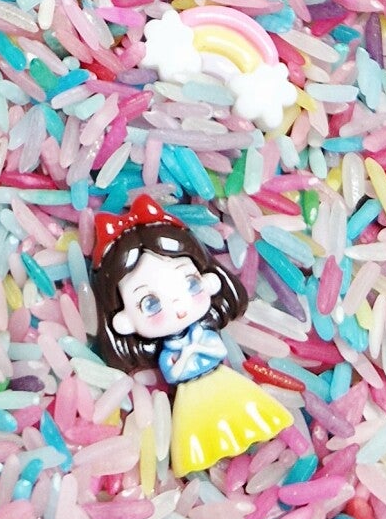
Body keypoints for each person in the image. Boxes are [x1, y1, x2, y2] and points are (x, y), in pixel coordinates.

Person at [90, 193, 291, 475]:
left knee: (245, 415)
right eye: (151, 303)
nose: (179, 307)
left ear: (208, 280)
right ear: (123, 321)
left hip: (222, 380)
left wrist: (189, 356)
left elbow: (217, 351)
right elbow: (172, 373)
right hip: (189, 395)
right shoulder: (168, 350)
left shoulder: (203, 334)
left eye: (191, 284)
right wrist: (185, 359)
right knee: (199, 434)